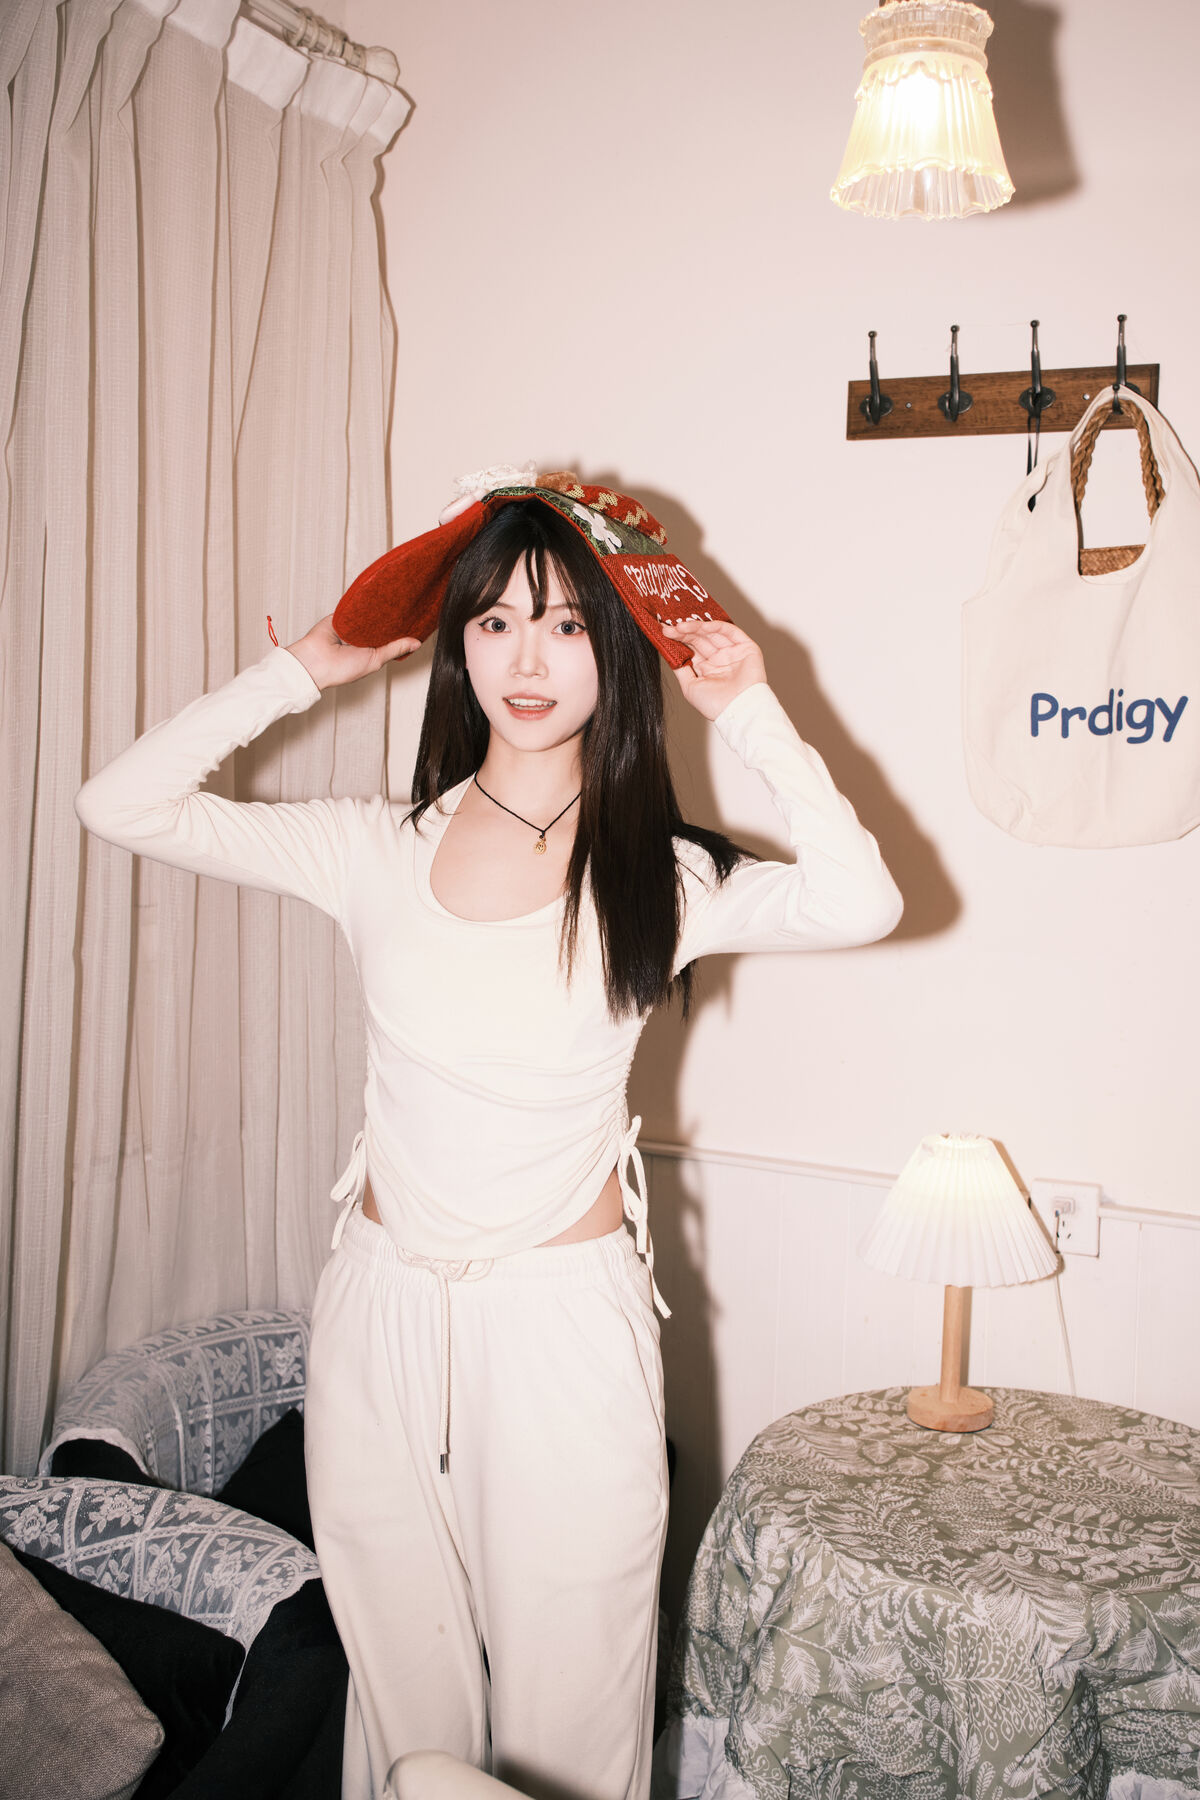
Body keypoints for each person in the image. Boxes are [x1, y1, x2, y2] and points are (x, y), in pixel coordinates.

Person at [74, 476, 902, 1800]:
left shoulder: (667, 874)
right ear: (458, 644)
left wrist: (747, 703)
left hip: (561, 1324)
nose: (527, 659)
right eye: (497, 622)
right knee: (404, 1695)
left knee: (577, 1700)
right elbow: (120, 804)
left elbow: (863, 900)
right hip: (380, 1312)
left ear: (615, 649)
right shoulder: (372, 849)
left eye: (567, 625)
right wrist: (306, 667)